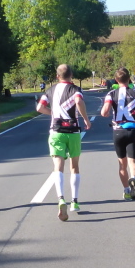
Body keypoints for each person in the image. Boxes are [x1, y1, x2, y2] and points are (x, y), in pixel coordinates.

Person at [36, 64, 92, 221]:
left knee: (58, 166)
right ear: (71, 75)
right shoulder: (75, 89)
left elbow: (39, 107)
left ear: (57, 76)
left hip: (56, 131)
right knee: (74, 166)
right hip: (73, 131)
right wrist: (86, 119)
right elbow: (79, 101)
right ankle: (74, 201)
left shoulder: (50, 90)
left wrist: (53, 113)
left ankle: (61, 198)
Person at [100, 67, 135, 200]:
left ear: (116, 80)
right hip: (133, 130)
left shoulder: (111, 94)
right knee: (133, 162)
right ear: (129, 78)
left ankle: (126, 190)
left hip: (118, 131)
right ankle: (133, 178)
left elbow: (104, 112)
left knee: (122, 164)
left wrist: (108, 112)